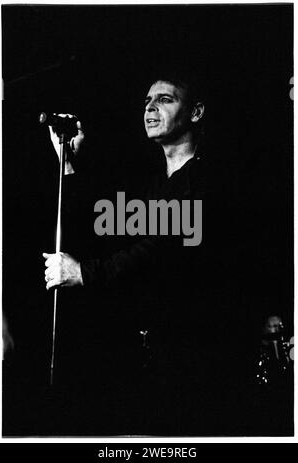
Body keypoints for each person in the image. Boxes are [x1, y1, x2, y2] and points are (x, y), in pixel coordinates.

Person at [40, 71, 228, 435]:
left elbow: (159, 250)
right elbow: (108, 229)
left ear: (197, 112)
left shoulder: (209, 181)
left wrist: (84, 274)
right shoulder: (154, 185)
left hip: (194, 362)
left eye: (165, 99)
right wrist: (68, 163)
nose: (150, 108)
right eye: (146, 101)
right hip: (149, 361)